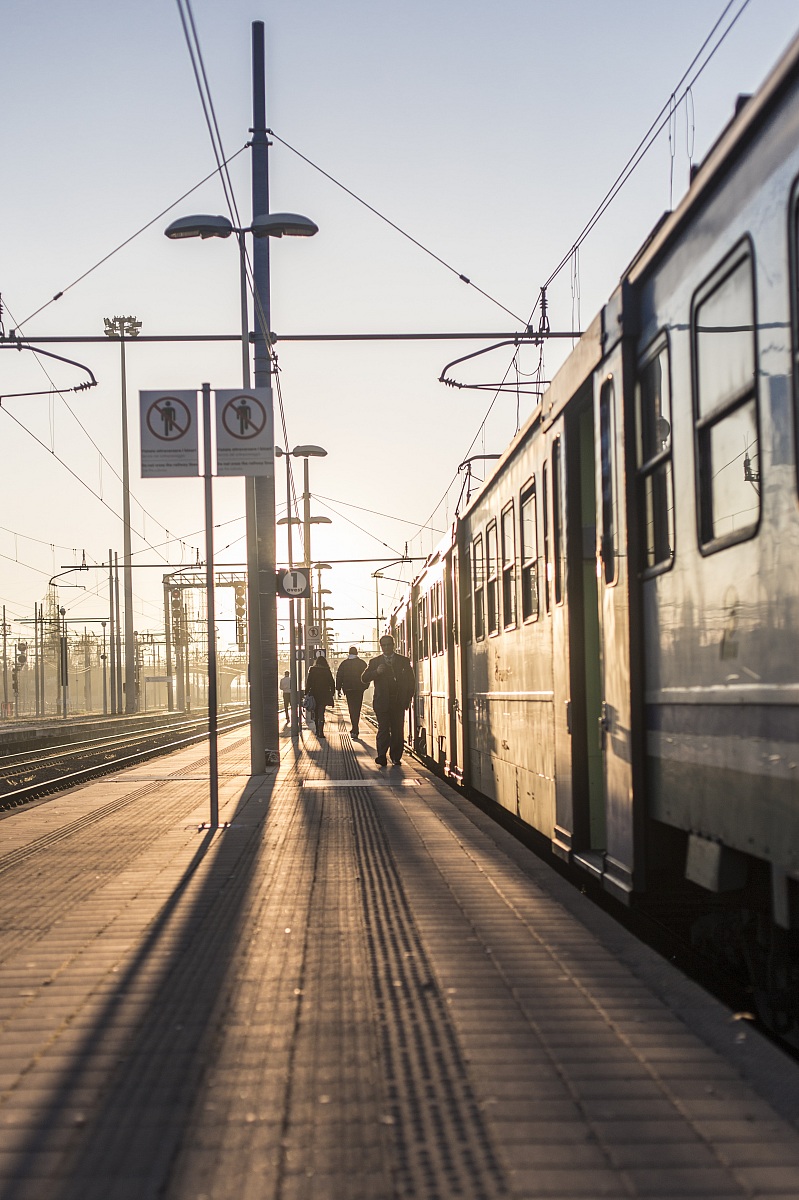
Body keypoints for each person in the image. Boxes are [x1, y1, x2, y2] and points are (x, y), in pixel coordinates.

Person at [361, 634, 415, 767]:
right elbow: (364, 678)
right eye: (383, 645)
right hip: (382, 703)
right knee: (383, 729)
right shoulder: (375, 662)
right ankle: (381, 756)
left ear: (393, 645)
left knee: (397, 730)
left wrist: (407, 699)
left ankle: (396, 757)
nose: (386, 647)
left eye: (388, 645)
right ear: (381, 647)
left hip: (398, 703)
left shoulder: (403, 661)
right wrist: (376, 672)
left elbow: (411, 682)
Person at [335, 645, 368, 738]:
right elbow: (367, 676)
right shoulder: (362, 663)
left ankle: (354, 728)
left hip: (348, 689)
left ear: (349, 653)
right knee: (357, 708)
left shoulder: (344, 664)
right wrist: (364, 687)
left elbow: (339, 676)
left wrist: (338, 689)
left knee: (351, 708)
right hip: (359, 689)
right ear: (357, 653)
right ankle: (355, 727)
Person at [304, 654, 336, 739]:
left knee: (315, 712)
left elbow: (309, 682)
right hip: (324, 694)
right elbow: (332, 682)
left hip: (314, 694)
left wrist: (306, 692)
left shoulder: (312, 670)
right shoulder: (327, 670)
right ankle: (320, 732)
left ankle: (317, 729)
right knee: (321, 712)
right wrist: (332, 693)